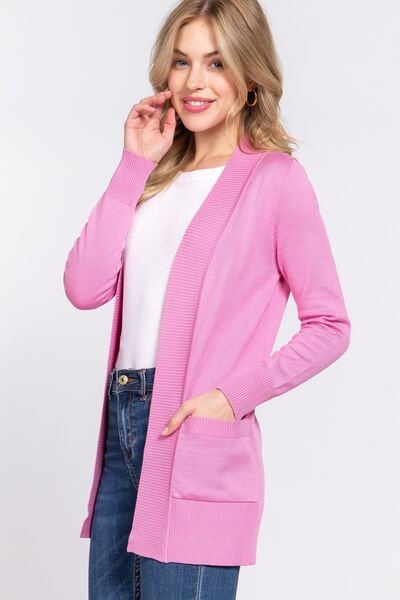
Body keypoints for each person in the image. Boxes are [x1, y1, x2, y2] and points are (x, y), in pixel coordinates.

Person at [63, 1, 351, 598]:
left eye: (216, 63)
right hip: (122, 428)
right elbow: (83, 288)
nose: (194, 81)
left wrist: (232, 397)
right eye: (181, 62)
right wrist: (132, 165)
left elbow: (330, 325)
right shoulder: (152, 179)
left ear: (250, 77)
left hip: (194, 438)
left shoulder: (275, 180)